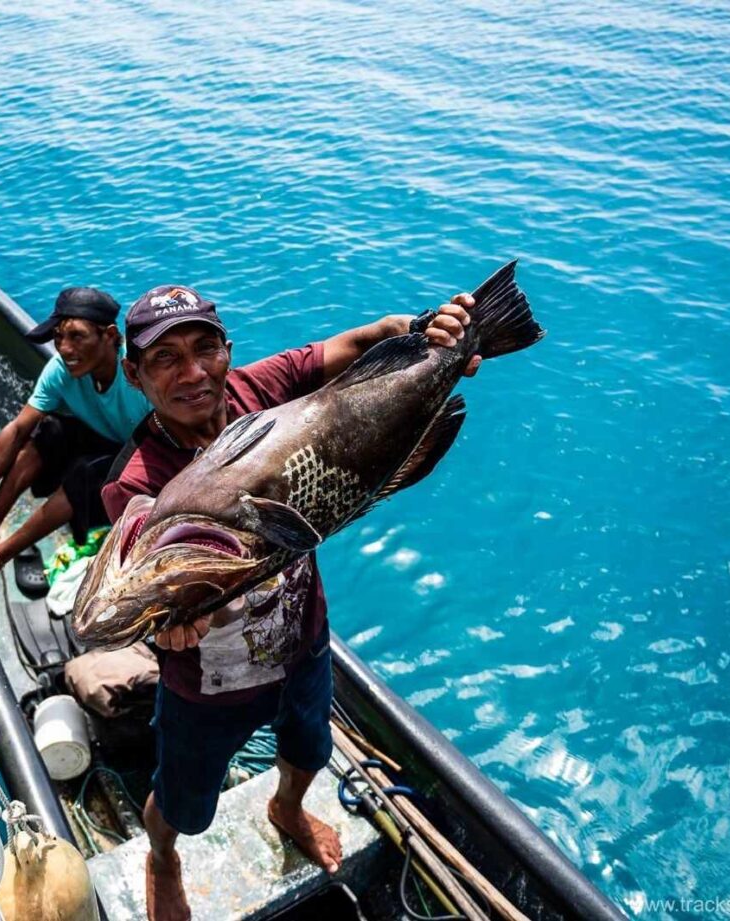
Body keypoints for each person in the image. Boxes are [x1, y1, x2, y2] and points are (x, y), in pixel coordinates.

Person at [100, 284, 481, 921]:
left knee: (309, 749)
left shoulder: (259, 389)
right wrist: (172, 624)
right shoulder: (136, 486)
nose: (193, 373)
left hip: (304, 640)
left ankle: (287, 807)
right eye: (165, 359)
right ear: (134, 374)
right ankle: (161, 857)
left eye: (205, 349)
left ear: (228, 350)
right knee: (182, 802)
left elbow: (364, 343)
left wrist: (427, 331)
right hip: (207, 683)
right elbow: (157, 592)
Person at [0, 286, 150, 586]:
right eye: (59, 337)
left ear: (110, 336)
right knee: (49, 433)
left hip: (146, 469)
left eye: (77, 336)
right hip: (107, 440)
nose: (65, 348)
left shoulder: (139, 378)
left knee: (85, 474)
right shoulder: (62, 369)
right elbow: (18, 429)